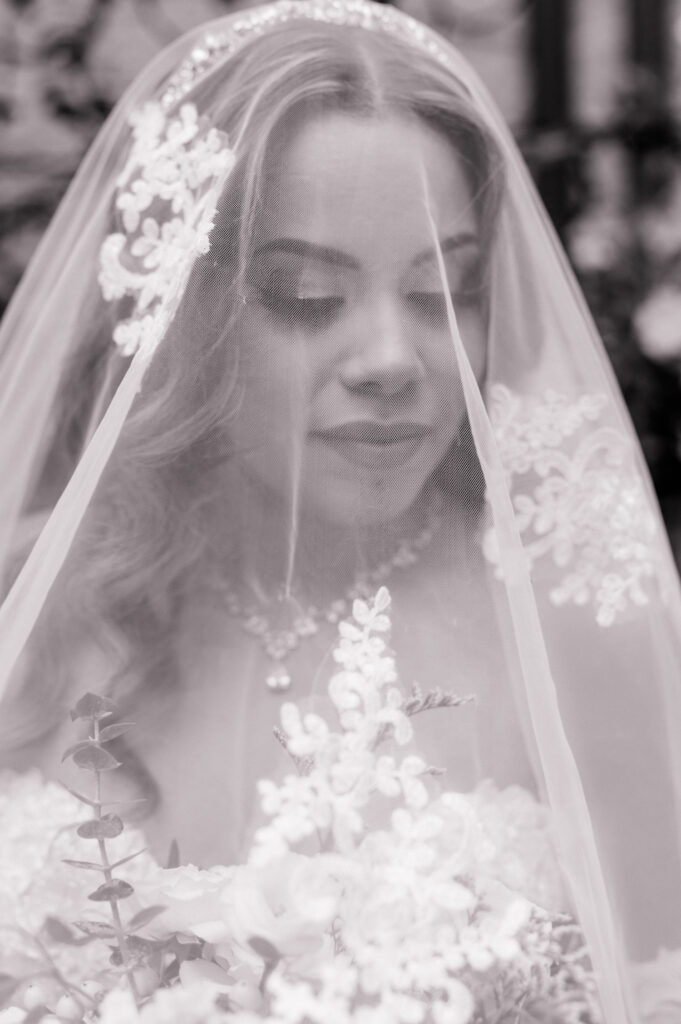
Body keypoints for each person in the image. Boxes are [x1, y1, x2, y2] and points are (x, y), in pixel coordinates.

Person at [1, 1, 681, 1019]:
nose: (394, 362)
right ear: (187, 315)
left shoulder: (578, 631)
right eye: (311, 297)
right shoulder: (30, 603)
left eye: (445, 291)